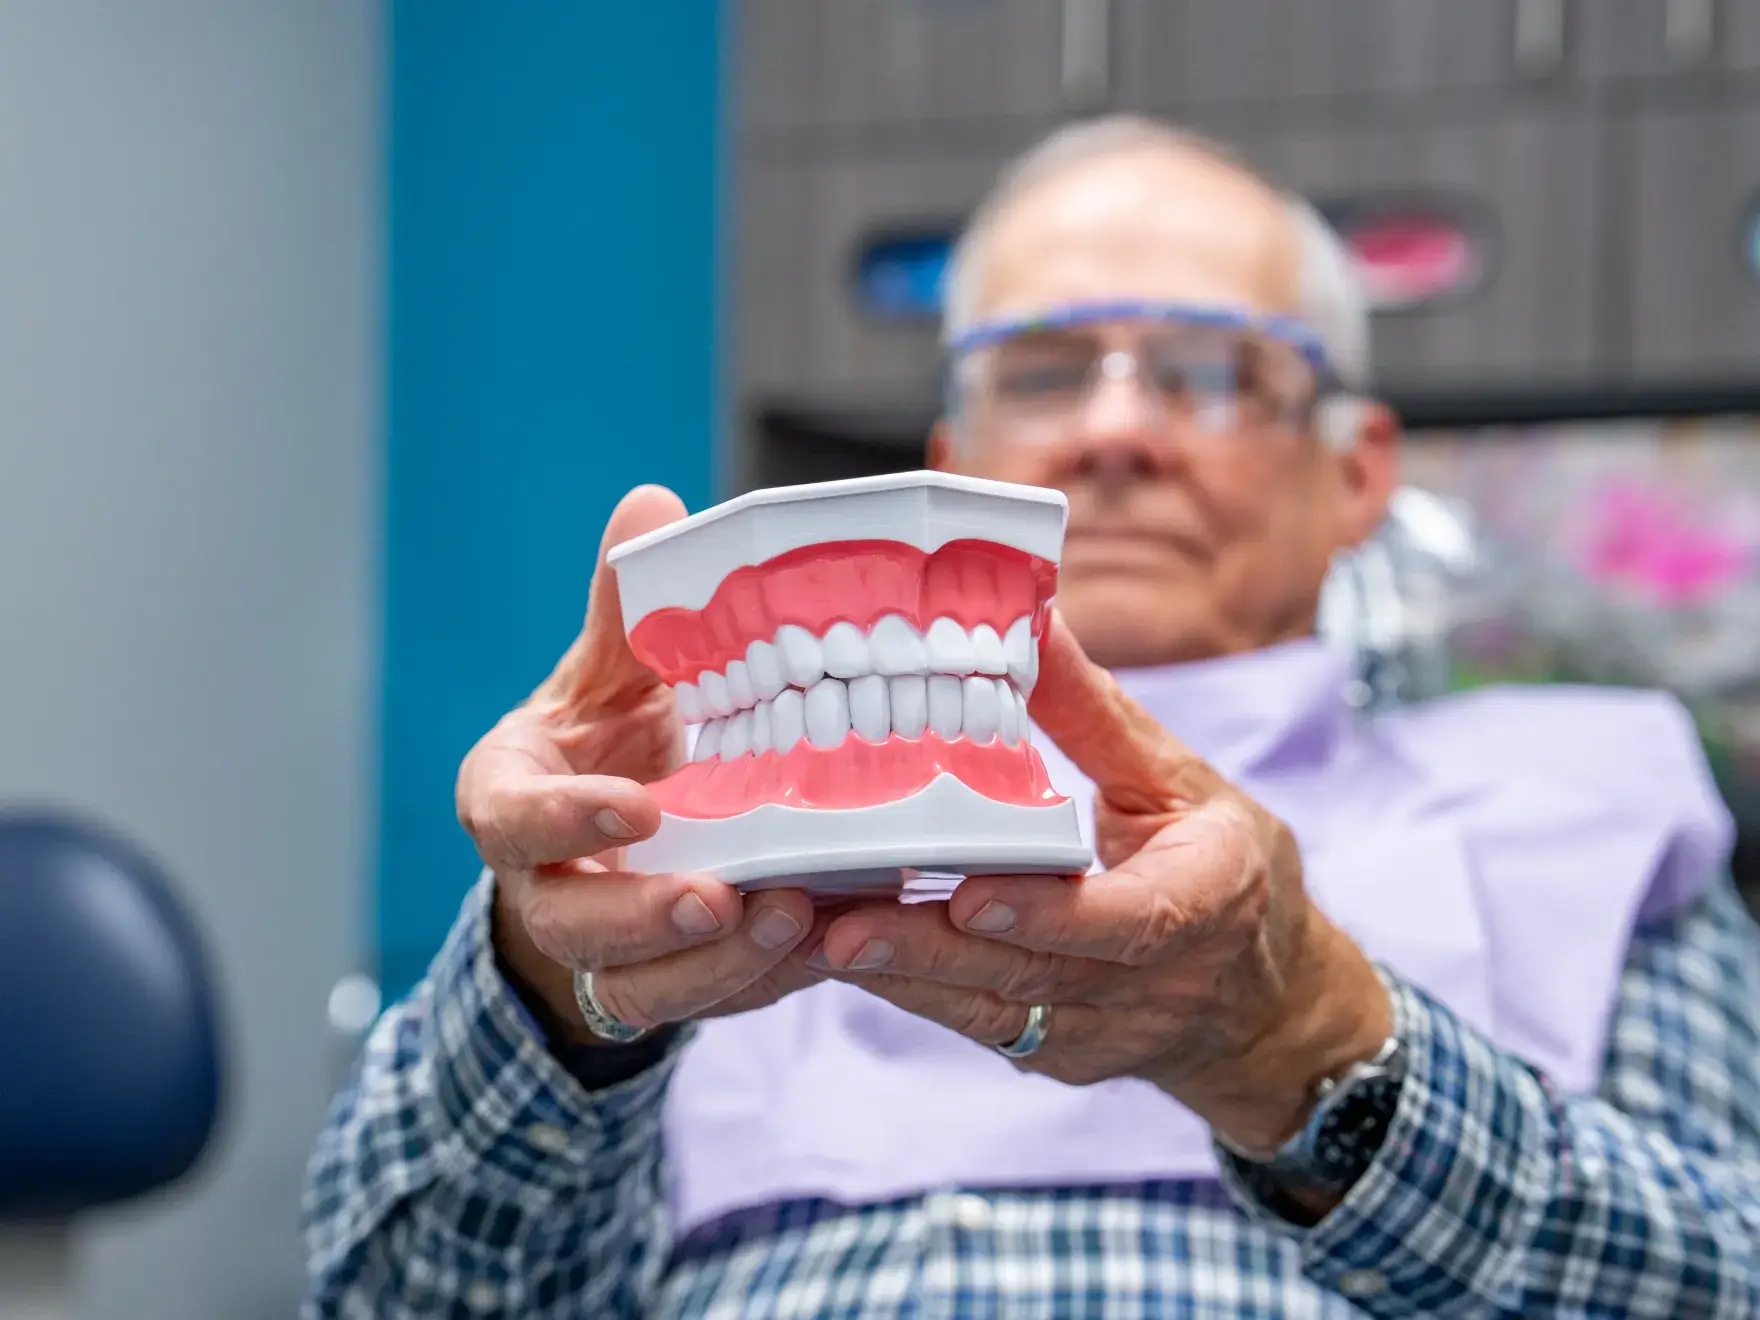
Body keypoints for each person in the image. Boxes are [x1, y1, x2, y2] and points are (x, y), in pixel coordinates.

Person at [302, 116, 1760, 1317]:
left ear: (1358, 472)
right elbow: (395, 1298)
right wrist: (559, 1000)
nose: (1112, 432)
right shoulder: (686, 827)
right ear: (956, 459)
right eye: (1044, 371)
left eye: (1207, 373)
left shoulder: (1595, 815)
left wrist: (1304, 1038)